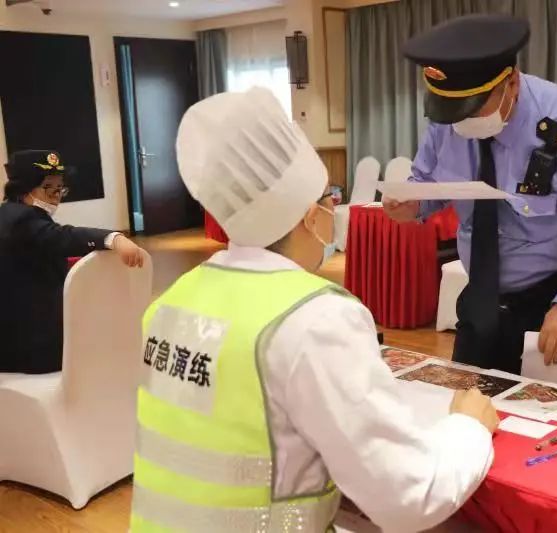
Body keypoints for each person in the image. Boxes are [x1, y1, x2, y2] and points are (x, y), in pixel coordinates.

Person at [129, 88, 498, 533]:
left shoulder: (169, 302)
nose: (334, 208)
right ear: (310, 215)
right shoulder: (315, 318)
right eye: (330, 197)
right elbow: (408, 497)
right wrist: (469, 428)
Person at [383, 15, 557, 373]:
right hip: (481, 298)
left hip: (553, 305)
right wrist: (413, 204)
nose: (463, 122)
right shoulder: (449, 120)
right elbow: (429, 180)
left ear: (512, 82)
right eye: (455, 111)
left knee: (551, 409)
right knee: (467, 403)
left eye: (474, 107)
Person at [0, 149, 145, 374]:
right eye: (50, 188)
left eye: (60, 188)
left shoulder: (10, 212)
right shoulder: (21, 219)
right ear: (25, 190)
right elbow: (61, 236)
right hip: (29, 345)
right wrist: (112, 238)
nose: (57, 196)